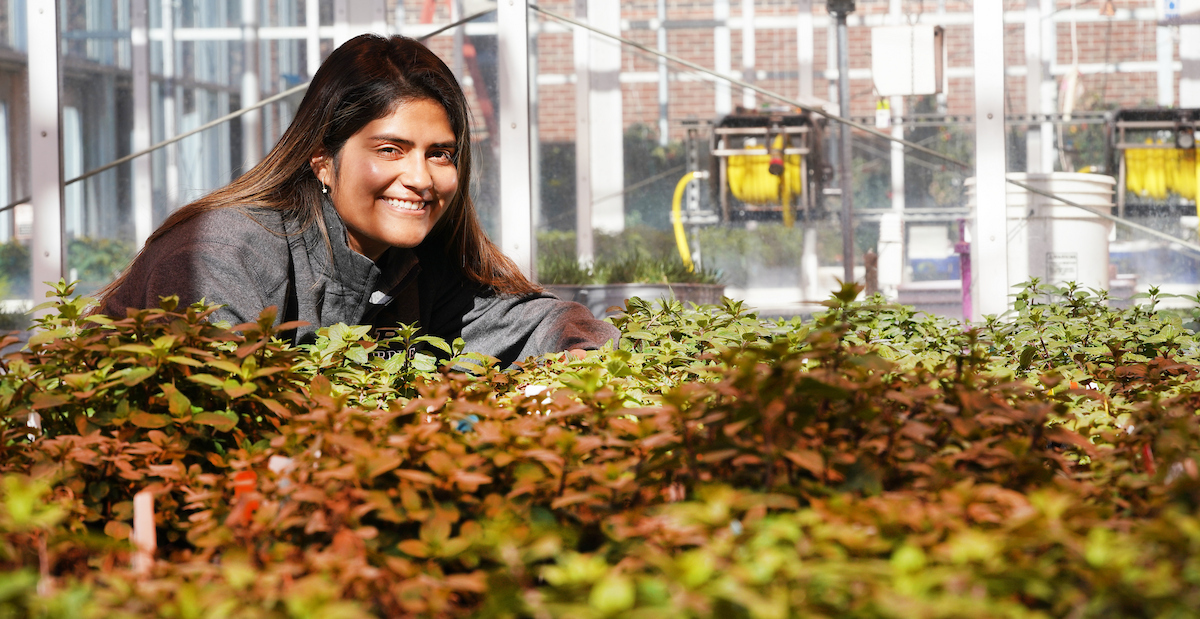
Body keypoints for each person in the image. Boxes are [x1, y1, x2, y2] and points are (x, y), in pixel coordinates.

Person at [96, 34, 618, 366]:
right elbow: (225, 413)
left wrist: (578, 358)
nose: (421, 178)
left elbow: (541, 323)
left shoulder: (413, 269)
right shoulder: (223, 250)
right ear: (322, 158)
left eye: (440, 154)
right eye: (390, 149)